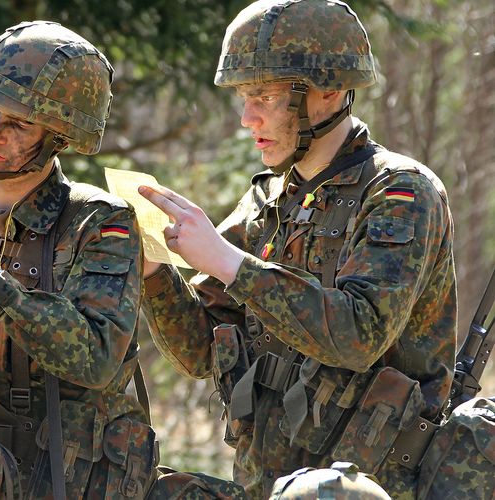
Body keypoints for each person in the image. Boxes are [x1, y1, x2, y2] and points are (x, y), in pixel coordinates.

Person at [0, 20, 245, 500]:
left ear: (58, 136)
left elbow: (94, 357)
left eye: (19, 123)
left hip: (73, 477)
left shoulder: (101, 224)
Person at [139, 1, 456, 498]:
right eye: (244, 97)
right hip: (265, 484)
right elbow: (200, 349)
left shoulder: (400, 192)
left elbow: (358, 335)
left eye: (263, 97)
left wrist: (228, 262)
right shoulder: (269, 199)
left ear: (327, 91)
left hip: (366, 489)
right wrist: (154, 272)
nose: (247, 118)